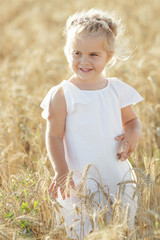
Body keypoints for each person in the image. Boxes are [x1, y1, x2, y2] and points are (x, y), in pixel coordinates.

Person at [40, 8, 144, 239]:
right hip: (79, 180)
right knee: (82, 229)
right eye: (77, 53)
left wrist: (133, 135)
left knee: (119, 229)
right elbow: (54, 135)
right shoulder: (63, 94)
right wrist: (61, 171)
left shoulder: (116, 89)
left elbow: (133, 121)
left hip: (115, 176)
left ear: (110, 56)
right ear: (68, 53)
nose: (83, 61)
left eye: (93, 55)